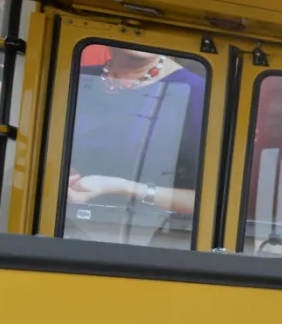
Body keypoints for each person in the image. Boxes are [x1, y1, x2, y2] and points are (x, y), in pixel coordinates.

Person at [65, 46, 207, 220]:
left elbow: (210, 200)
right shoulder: (76, 77)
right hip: (62, 222)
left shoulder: (197, 92)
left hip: (154, 231)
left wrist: (124, 188)